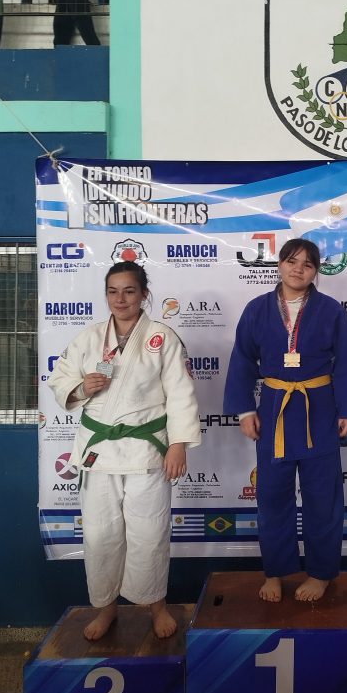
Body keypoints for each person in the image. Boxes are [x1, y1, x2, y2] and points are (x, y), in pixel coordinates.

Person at [48, 262, 201, 640]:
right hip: (99, 451)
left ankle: (156, 605)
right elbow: (59, 378)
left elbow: (180, 393)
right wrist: (81, 387)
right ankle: (106, 608)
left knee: (150, 532)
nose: (120, 299)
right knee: (100, 534)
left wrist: (178, 444)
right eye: (113, 291)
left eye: (129, 291)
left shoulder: (162, 338)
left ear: (144, 295)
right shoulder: (88, 339)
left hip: (146, 450)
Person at [224, 239, 347, 603]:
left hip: (318, 408)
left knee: (323, 497)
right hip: (274, 410)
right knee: (272, 496)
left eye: (307, 264)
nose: (298, 269)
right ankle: (275, 571)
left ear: (316, 271)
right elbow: (242, 360)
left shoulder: (331, 311)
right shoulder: (257, 310)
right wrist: (245, 410)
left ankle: (321, 573)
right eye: (291, 261)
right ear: (280, 264)